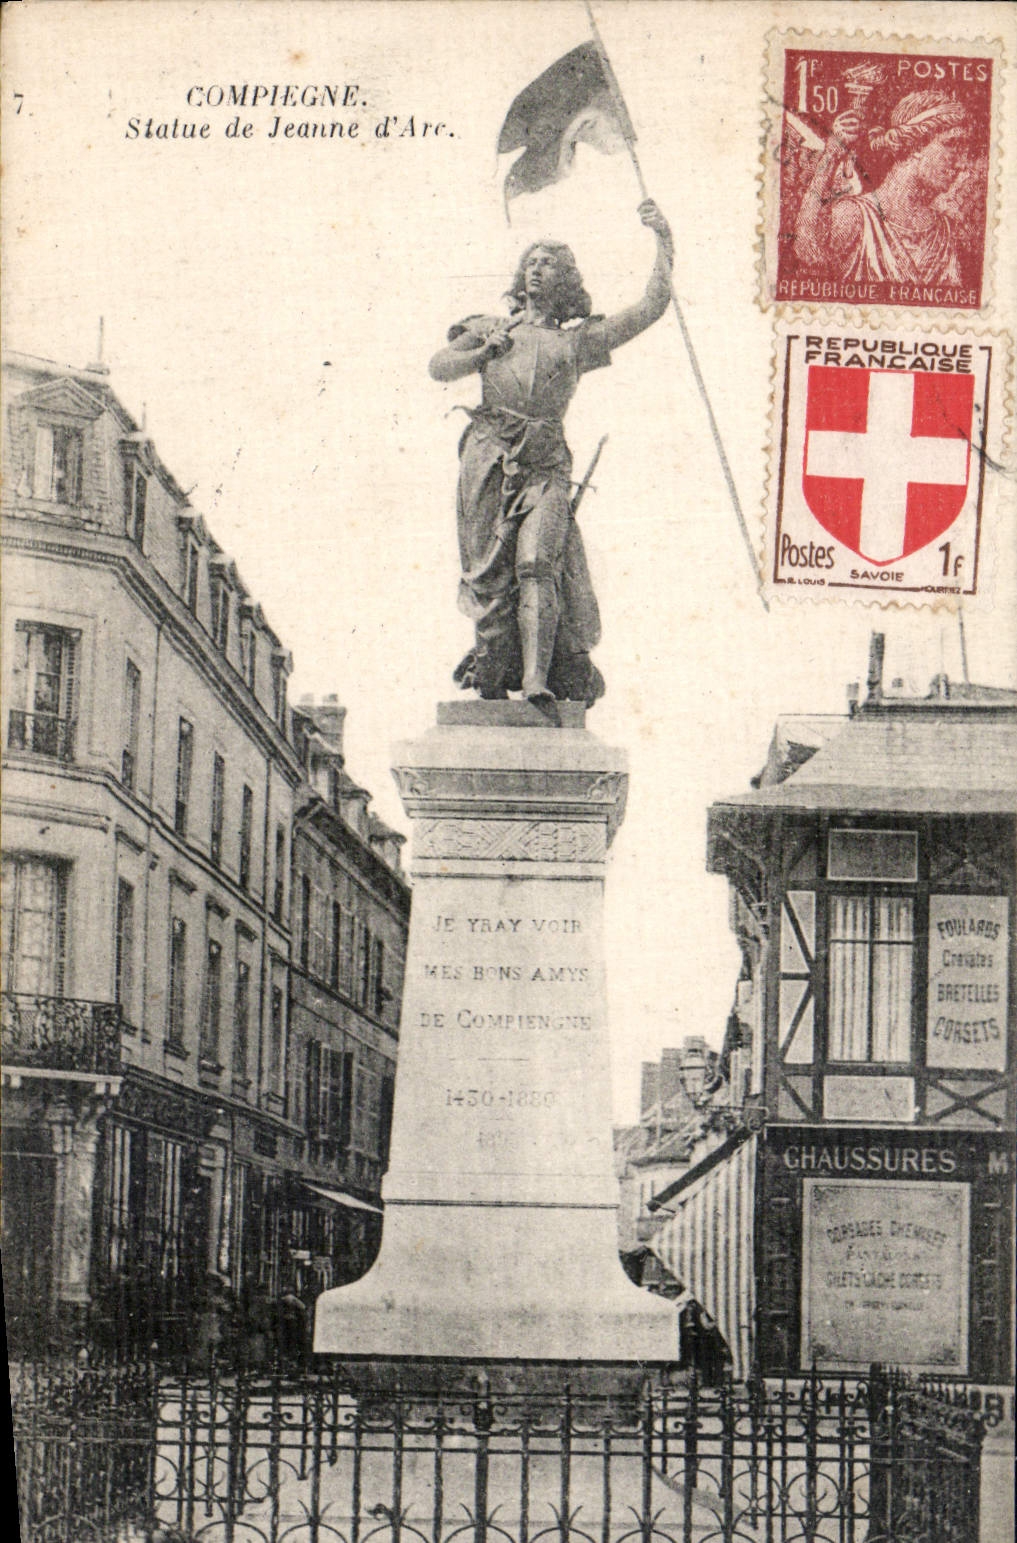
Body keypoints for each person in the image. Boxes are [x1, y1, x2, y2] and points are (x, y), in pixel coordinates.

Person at [429, 199, 674, 707]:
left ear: (566, 281)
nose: (538, 269)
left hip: (545, 462)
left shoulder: (579, 343)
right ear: (521, 274)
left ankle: (539, 679)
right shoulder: (490, 326)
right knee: (489, 577)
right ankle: (493, 670)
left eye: (551, 264)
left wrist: (664, 241)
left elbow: (649, 308)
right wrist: (484, 352)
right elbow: (439, 366)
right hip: (489, 456)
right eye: (533, 261)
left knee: (540, 563)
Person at [793, 91, 971, 286]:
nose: (961, 164)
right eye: (952, 145)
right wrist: (832, 154)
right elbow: (808, 252)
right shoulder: (856, 215)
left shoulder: (944, 231)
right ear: (916, 145)